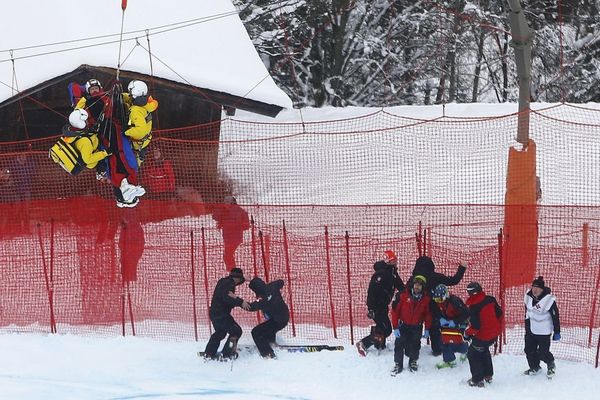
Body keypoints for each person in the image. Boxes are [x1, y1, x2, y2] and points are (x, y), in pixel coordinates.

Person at [408, 256, 467, 356]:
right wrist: (462, 268)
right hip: (433, 310)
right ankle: (437, 349)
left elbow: (405, 293)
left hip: (416, 311)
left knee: (414, 331)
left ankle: (411, 350)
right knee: (434, 330)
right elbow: (453, 281)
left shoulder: (413, 279)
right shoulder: (435, 277)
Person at [356, 250, 405, 357]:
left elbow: (401, 287)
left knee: (382, 326)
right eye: (393, 260)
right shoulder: (380, 274)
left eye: (396, 260)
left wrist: (409, 291)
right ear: (389, 261)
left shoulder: (393, 273)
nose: (396, 262)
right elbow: (371, 292)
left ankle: (379, 344)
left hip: (384, 306)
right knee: (386, 329)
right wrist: (371, 308)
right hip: (377, 306)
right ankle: (363, 343)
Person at [203, 268, 250, 360]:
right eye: (240, 280)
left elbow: (230, 290)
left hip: (214, 313)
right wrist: (241, 302)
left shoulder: (224, 281)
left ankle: (209, 353)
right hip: (221, 315)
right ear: (237, 278)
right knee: (236, 331)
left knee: (220, 333)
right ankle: (228, 353)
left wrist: (244, 278)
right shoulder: (230, 284)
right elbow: (227, 298)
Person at [390, 275, 432, 374]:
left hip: (417, 326)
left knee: (415, 344)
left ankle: (413, 361)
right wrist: (395, 327)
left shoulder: (426, 299)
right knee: (399, 343)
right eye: (415, 284)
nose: (417, 287)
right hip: (403, 325)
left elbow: (428, 315)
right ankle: (398, 364)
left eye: (419, 285)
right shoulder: (402, 295)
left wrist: (427, 328)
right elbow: (395, 312)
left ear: (423, 287)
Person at [464, 281, 502, 387]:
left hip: (483, 336)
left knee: (473, 353)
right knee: (484, 350)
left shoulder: (474, 307)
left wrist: (467, 333)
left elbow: (476, 327)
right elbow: (500, 313)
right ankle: (488, 375)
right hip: (494, 334)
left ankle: (477, 379)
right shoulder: (490, 299)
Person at [523, 276, 560, 378]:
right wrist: (527, 327)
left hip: (544, 331)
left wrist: (557, 331)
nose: (535, 289)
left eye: (538, 287)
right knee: (529, 350)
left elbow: (555, 316)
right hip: (531, 329)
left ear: (542, 289)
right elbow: (527, 313)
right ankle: (535, 367)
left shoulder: (548, 300)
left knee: (543, 352)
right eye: (533, 287)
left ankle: (551, 364)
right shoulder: (528, 296)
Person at [247, 277, 290, 359]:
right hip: (284, 316)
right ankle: (271, 343)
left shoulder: (262, 299)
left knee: (256, 332)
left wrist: (240, 303)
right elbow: (281, 281)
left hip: (277, 320)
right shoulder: (272, 286)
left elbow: (251, 307)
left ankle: (268, 354)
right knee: (268, 329)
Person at [431, 284, 469, 369]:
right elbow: (435, 313)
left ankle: (465, 350)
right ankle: (449, 360)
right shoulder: (437, 304)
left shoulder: (455, 301)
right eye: (436, 300)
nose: (438, 302)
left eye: (440, 299)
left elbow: (466, 314)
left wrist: (455, 321)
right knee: (445, 342)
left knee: (457, 341)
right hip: (446, 324)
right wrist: (440, 319)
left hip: (459, 323)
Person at [123, 80, 158, 164]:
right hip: (146, 140)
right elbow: (130, 97)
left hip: (137, 144)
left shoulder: (135, 110)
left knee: (130, 164)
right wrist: (122, 96)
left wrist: (125, 132)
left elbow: (140, 131)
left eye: (131, 93)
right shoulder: (147, 103)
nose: (130, 94)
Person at [212, 196, 250, 271]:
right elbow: (215, 217)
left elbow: (246, 225)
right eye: (225, 203)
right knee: (228, 255)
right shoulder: (226, 211)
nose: (226, 205)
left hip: (234, 238)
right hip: (230, 237)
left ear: (232, 203)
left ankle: (233, 272)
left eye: (227, 203)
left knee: (227, 255)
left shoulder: (237, 211)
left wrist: (234, 226)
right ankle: (233, 272)